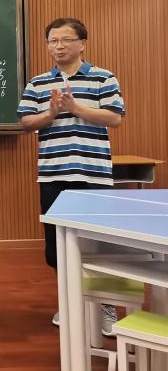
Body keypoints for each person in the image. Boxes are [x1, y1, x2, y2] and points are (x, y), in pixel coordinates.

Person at [17, 17, 124, 330]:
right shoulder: (38, 83)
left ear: (82, 44)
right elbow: (26, 123)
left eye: (65, 40)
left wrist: (76, 108)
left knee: (99, 244)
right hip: (53, 175)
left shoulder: (103, 77)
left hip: (94, 174)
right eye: (52, 41)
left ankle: (105, 307)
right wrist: (51, 113)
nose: (58, 46)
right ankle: (70, 302)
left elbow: (114, 118)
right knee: (57, 247)